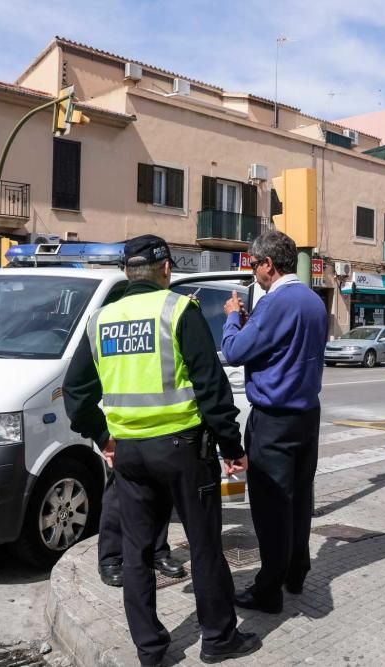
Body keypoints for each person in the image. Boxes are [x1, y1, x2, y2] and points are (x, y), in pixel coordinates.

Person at [71, 234, 259, 666]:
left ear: (126, 273)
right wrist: (231, 445)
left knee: (135, 553)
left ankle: (150, 651)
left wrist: (103, 437)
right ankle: (217, 639)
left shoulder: (101, 320)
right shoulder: (179, 309)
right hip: (183, 451)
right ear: (166, 270)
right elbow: (212, 388)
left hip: (130, 455)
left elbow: (77, 394)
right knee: (205, 544)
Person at [221, 230, 328, 614]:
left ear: (269, 264)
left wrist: (233, 318)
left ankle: (268, 590)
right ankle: (296, 571)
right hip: (306, 416)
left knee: (270, 507)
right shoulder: (314, 302)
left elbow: (233, 352)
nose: (253, 274)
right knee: (299, 499)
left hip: (275, 419)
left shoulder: (276, 301)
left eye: (254, 265)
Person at [64, 352, 187, 587]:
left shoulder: (165, 315)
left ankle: (157, 551)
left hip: (163, 426)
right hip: (124, 431)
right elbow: (75, 388)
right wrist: (101, 435)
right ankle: (112, 558)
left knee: (161, 492)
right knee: (118, 497)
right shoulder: (102, 318)